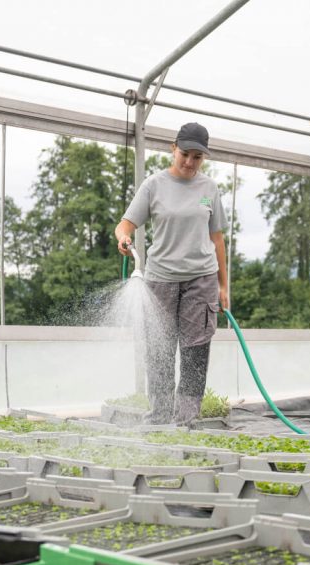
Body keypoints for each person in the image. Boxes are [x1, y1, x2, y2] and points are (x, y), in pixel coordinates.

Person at [114, 122, 229, 425]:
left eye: (197, 157)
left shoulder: (209, 189)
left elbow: (217, 239)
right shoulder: (154, 185)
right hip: (160, 280)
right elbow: (125, 224)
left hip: (201, 279)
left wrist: (223, 286)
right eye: (185, 154)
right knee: (159, 350)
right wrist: (123, 238)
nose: (190, 162)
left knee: (195, 351)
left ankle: (186, 421)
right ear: (173, 148)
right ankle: (159, 417)